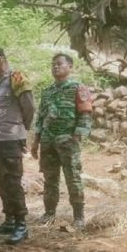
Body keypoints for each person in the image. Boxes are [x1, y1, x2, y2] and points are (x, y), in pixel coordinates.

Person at [0, 48, 35, 245]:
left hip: (11, 139)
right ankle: (10, 219)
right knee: (0, 180)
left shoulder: (17, 77)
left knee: (12, 181)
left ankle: (21, 224)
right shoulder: (0, 82)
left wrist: (21, 128)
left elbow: (29, 107)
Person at [31, 53, 92, 229]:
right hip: (48, 141)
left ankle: (79, 216)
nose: (55, 67)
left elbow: (85, 113)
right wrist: (36, 141)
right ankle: (49, 213)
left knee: (73, 177)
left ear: (70, 67)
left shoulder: (77, 87)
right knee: (50, 179)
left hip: (68, 141)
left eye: (59, 64)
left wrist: (78, 136)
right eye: (53, 64)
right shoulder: (47, 91)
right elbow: (41, 118)